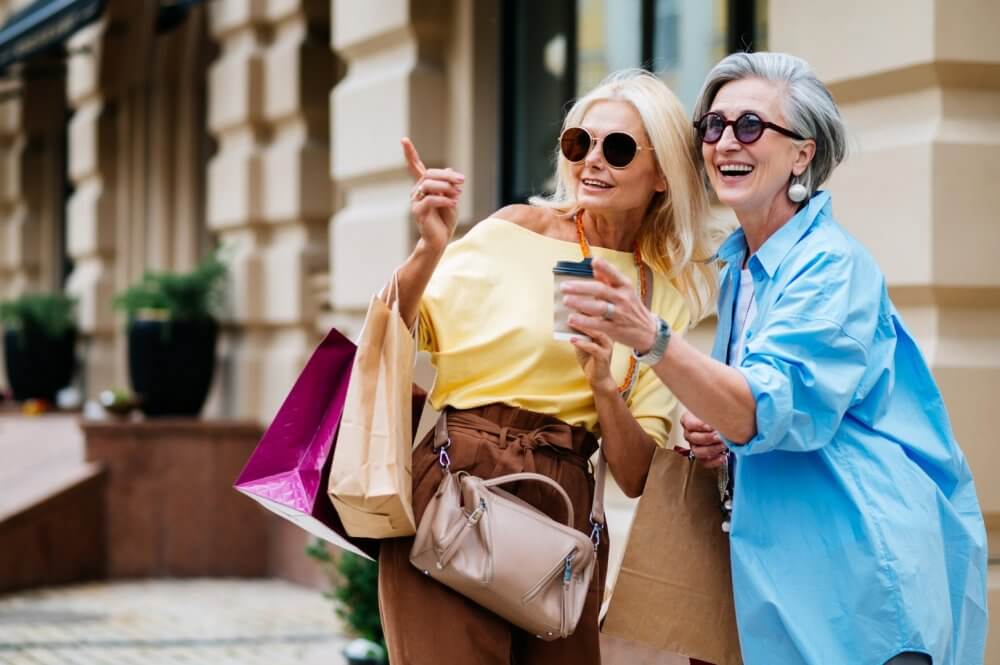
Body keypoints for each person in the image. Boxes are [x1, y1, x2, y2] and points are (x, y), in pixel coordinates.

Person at [562, 52, 988, 665]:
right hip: (785, 593)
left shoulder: (832, 267)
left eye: (751, 126)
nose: (725, 141)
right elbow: (755, 413)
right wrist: (720, 433)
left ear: (802, 153)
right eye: (713, 125)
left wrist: (650, 336)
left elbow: (765, 407)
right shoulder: (745, 269)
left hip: (861, 592)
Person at [376, 69, 717, 664]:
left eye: (617, 148)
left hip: (564, 510)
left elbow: (636, 475)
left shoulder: (662, 294)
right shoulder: (513, 231)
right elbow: (395, 334)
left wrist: (601, 383)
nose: (592, 162)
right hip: (459, 485)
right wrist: (428, 251)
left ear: (662, 175)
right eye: (579, 143)